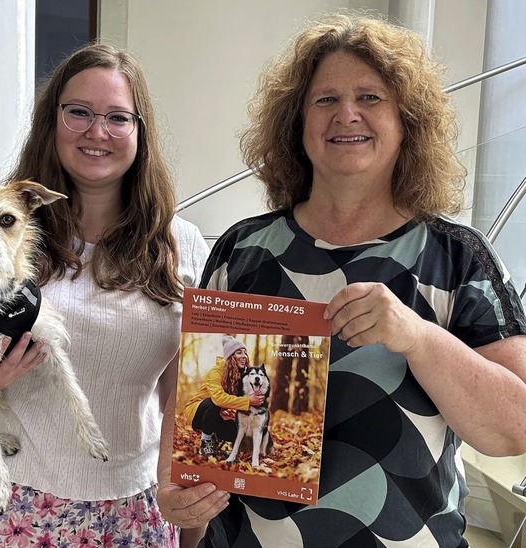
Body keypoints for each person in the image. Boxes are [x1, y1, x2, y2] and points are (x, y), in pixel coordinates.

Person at [157, 11, 526, 547]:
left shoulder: (458, 258)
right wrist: (180, 497)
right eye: (325, 99)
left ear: (407, 122)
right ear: (297, 125)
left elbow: (515, 426)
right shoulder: (243, 252)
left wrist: (419, 337)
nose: (346, 114)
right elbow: (194, 411)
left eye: (370, 97)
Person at [0, 41, 210, 546]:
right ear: (51, 120)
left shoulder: (181, 244)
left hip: (132, 512)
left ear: (140, 131)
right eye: (78, 112)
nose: (97, 131)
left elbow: (185, 397)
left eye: (118, 117)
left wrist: (191, 528)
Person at [183, 336, 263, 455]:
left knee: (237, 430)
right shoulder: (216, 372)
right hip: (197, 412)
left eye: (245, 353)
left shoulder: (241, 376)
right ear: (231, 356)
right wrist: (248, 401)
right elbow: (219, 399)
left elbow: (237, 401)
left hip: (217, 413)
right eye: (239, 352)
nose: (244, 356)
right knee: (214, 402)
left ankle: (216, 438)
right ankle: (206, 442)